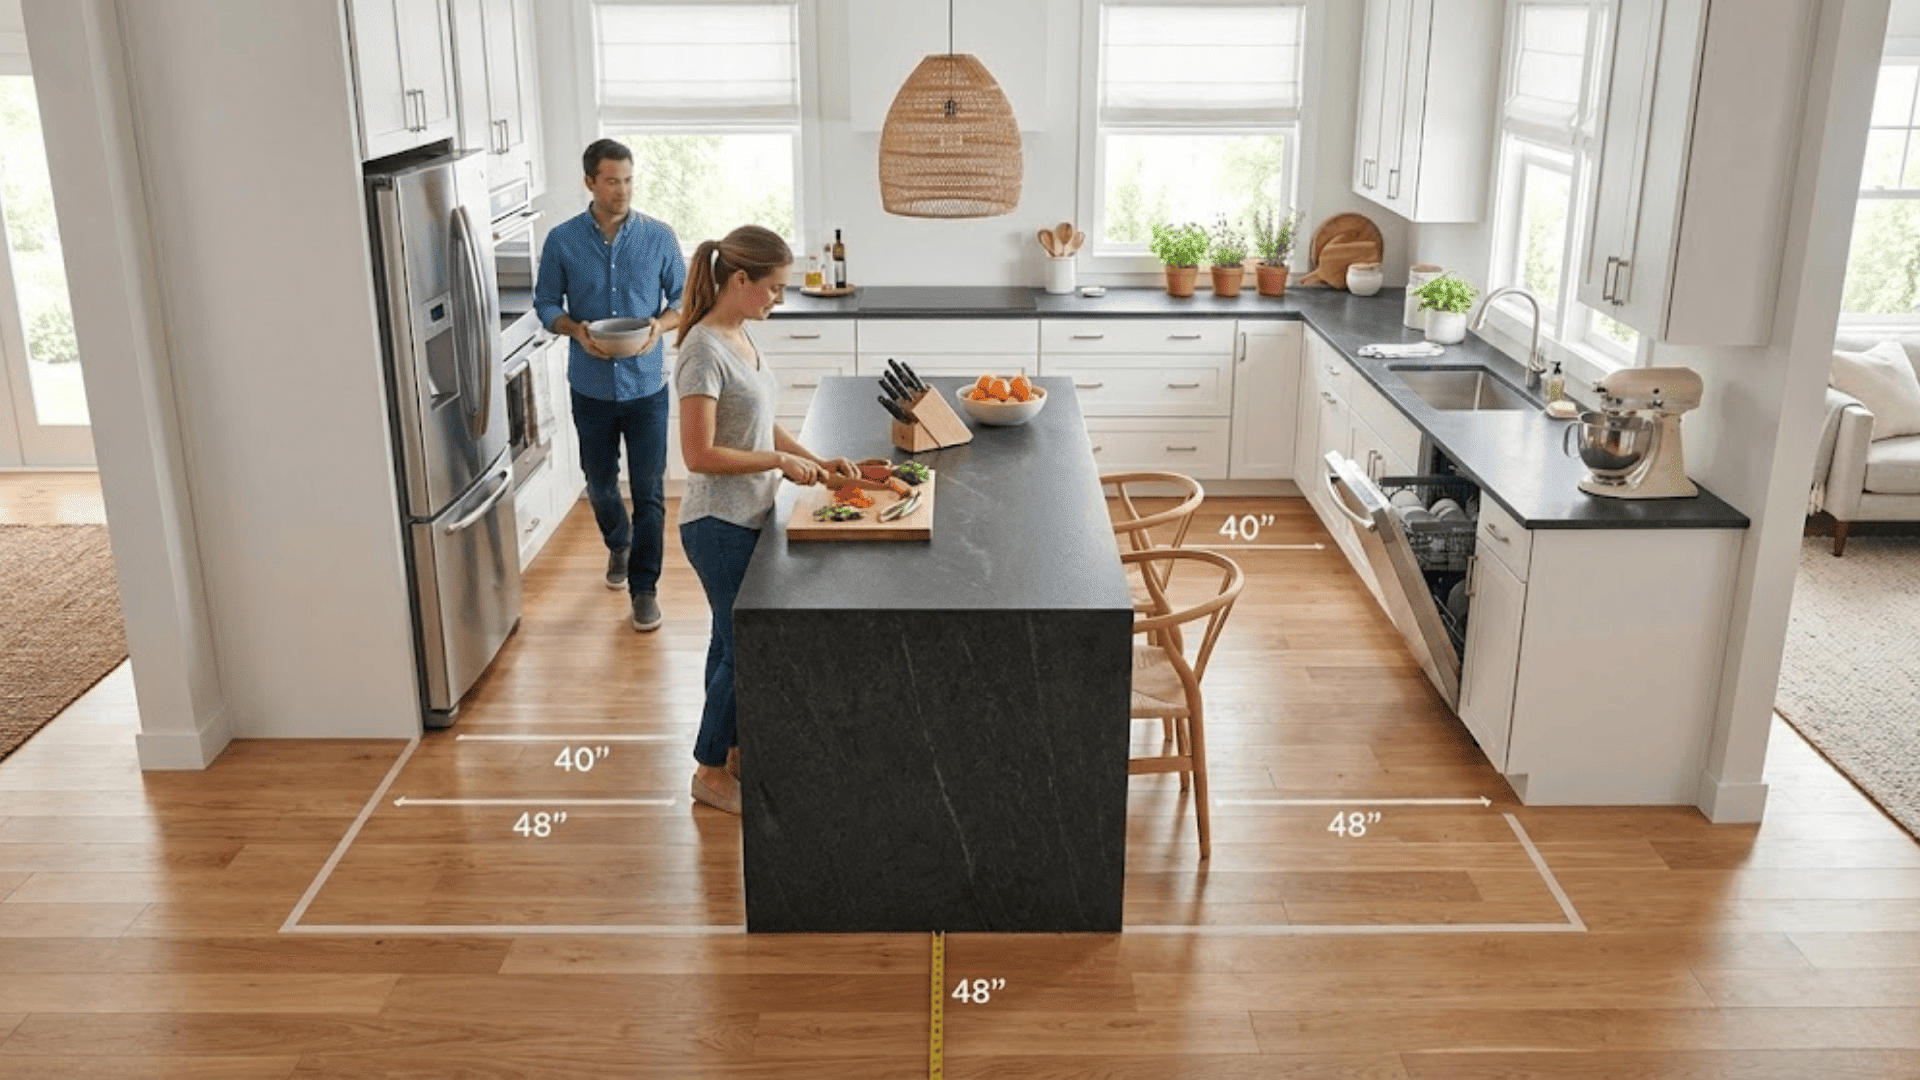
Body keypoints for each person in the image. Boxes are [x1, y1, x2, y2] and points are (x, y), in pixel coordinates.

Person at [675, 225, 856, 814]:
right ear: (739, 280)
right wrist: (780, 462)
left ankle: (728, 751)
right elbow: (698, 455)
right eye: (773, 288)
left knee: (726, 641)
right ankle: (708, 773)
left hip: (748, 515)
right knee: (745, 646)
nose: (780, 298)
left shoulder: (740, 335)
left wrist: (814, 460)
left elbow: (756, 423)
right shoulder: (702, 349)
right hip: (717, 523)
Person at [532, 138, 686, 632]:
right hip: (591, 385)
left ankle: (645, 588)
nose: (622, 190)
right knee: (599, 483)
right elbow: (546, 304)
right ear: (590, 183)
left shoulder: (659, 237)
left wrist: (659, 328)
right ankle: (617, 543)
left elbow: (685, 299)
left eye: (628, 180)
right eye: (612, 181)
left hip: (647, 387)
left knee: (650, 492)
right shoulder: (562, 240)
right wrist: (576, 330)